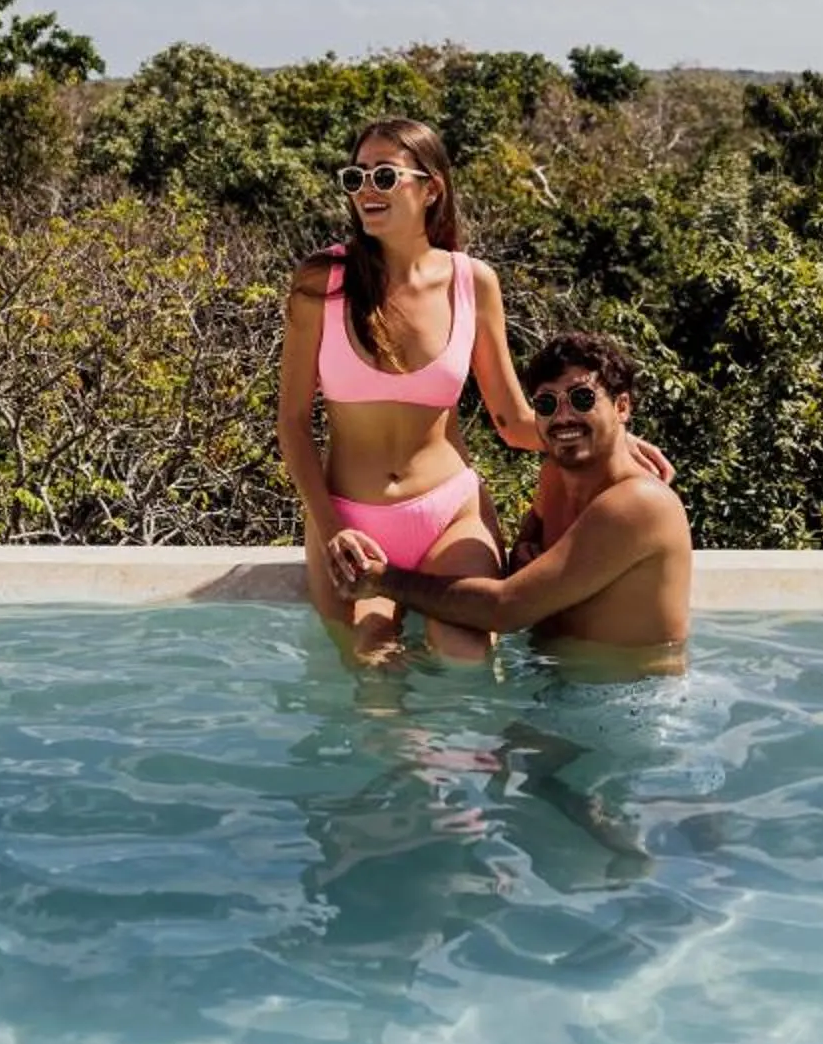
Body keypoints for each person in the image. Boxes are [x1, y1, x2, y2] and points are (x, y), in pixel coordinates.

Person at [279, 119, 667, 665]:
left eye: (385, 175)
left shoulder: (472, 282)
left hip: (450, 511)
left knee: (466, 660)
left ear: (430, 187)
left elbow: (510, 418)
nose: (367, 188)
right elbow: (293, 423)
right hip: (351, 517)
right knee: (374, 669)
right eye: (357, 176)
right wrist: (333, 529)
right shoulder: (322, 282)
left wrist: (617, 442)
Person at [328, 331, 691, 669]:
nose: (563, 416)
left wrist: (383, 579)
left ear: (622, 407)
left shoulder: (641, 503)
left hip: (627, 702)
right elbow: (526, 548)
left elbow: (505, 609)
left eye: (582, 399)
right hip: (553, 680)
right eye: (547, 404)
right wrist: (525, 550)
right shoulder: (555, 476)